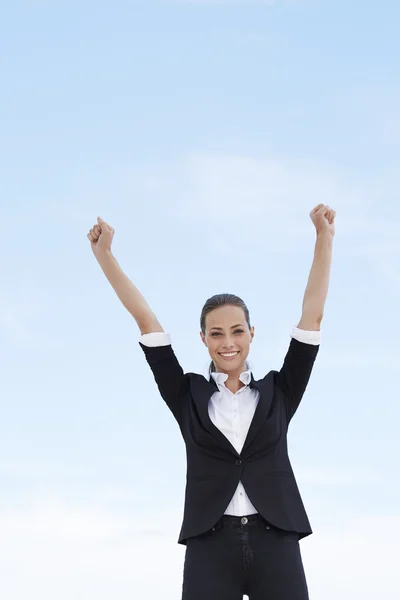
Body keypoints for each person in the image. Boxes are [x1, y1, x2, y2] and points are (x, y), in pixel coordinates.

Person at [87, 203, 335, 600]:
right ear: (203, 339)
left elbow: (313, 317)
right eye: (216, 333)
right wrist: (105, 256)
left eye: (237, 331)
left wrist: (324, 239)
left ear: (252, 333)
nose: (228, 342)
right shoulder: (186, 394)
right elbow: (147, 322)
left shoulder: (279, 391)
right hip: (210, 545)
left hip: (276, 542)